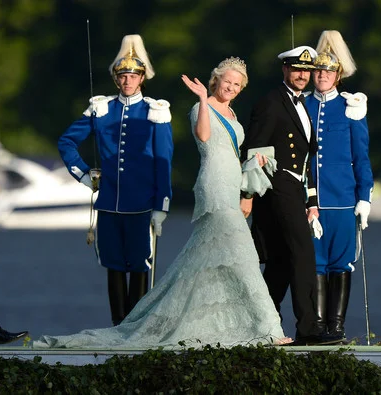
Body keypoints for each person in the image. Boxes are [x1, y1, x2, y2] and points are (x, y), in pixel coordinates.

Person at [34, 57, 290, 349]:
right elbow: (204, 139)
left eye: (236, 84)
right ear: (215, 81)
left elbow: (218, 153)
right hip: (213, 186)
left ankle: (229, 323)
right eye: (226, 81)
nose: (230, 87)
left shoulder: (231, 113)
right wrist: (204, 100)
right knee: (242, 255)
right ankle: (267, 326)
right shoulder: (199, 107)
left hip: (231, 185)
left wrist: (249, 175)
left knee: (209, 261)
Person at [57, 34, 174, 327]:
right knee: (112, 266)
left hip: (142, 204)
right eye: (122, 76)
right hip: (108, 202)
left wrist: (162, 205)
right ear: (115, 79)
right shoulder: (101, 108)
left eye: (133, 75)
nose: (127, 81)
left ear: (142, 77)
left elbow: (164, 161)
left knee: (139, 266)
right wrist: (83, 174)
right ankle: (117, 327)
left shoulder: (155, 110)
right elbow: (67, 142)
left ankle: (135, 327)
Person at [241, 46, 339, 345]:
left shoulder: (301, 104)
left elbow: (305, 162)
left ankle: (262, 326)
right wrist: (247, 194)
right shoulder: (271, 103)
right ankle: (309, 329)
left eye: (307, 71)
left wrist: (311, 201)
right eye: (297, 69)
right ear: (285, 70)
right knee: (303, 256)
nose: (303, 76)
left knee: (281, 262)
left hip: (294, 190)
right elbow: (253, 151)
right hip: (275, 188)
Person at [304, 31, 374, 342]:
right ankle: (317, 326)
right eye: (318, 70)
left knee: (341, 262)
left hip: (343, 199)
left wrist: (364, 197)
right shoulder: (301, 104)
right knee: (314, 262)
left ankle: (336, 326)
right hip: (309, 200)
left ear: (338, 75)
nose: (322, 75)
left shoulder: (350, 107)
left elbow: (361, 157)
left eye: (328, 71)